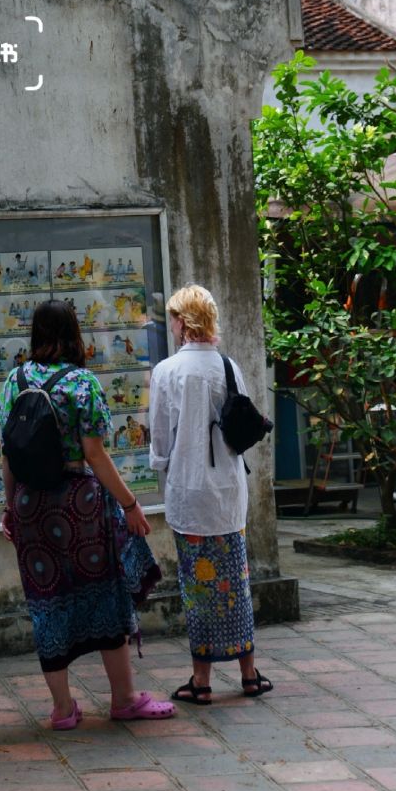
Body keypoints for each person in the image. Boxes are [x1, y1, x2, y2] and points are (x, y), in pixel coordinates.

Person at [0, 299, 174, 727]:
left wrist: (9, 506)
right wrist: (130, 504)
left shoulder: (14, 380)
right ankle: (125, 698)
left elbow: (8, 454)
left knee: (46, 600)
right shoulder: (82, 383)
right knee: (106, 593)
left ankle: (61, 709)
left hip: (31, 505)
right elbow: (94, 454)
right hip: (80, 504)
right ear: (74, 333)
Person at [148, 284, 273, 704]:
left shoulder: (167, 371)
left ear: (183, 322)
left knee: (197, 585)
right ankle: (249, 673)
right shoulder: (227, 365)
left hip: (188, 491)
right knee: (235, 582)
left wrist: (164, 465)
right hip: (227, 491)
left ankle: (201, 680)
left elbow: (161, 442)